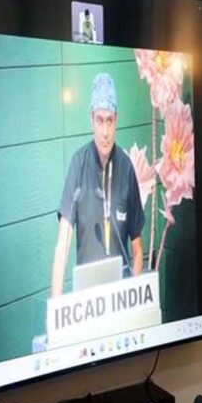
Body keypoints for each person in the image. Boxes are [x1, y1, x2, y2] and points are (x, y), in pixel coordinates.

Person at [50, 72, 144, 297]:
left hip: (121, 297)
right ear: (91, 119)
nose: (105, 132)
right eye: (100, 120)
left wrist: (136, 300)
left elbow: (137, 250)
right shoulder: (78, 163)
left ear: (116, 120)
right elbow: (62, 244)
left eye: (109, 121)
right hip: (88, 300)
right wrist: (55, 304)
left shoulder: (126, 167)